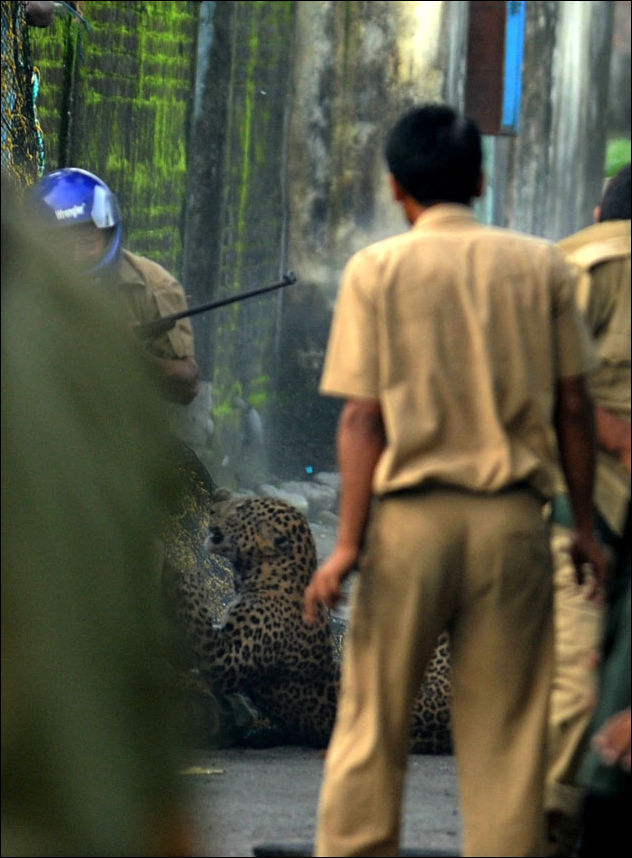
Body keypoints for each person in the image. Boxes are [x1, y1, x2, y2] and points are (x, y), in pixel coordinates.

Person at [302, 104, 608, 858]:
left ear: (396, 187)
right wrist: (586, 530)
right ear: (479, 178)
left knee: (373, 727)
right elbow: (575, 408)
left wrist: (346, 546)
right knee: (506, 744)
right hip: (511, 528)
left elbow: (361, 422)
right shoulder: (541, 266)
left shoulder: (376, 269)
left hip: (408, 529)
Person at [1, 177, 198, 856]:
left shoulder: (145, 292)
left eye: (87, 236)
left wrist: (128, 354)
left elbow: (185, 382)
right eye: (63, 238)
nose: (77, 248)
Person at [545, 163, 630, 855]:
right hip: (587, 511)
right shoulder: (589, 268)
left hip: (581, 512)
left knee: (575, 692)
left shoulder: (574, 263)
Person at [30, 166, 201, 406]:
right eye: (62, 245)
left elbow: (189, 386)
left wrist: (134, 355)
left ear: (108, 234)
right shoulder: (19, 281)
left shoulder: (154, 285)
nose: (77, 256)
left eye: (89, 242)